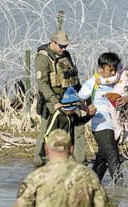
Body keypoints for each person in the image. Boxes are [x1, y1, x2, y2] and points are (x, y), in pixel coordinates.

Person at [34, 30, 93, 167]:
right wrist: (55, 103)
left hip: (70, 99)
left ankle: (80, 163)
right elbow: (43, 84)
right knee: (47, 132)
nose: (64, 49)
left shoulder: (66, 56)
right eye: (61, 46)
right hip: (52, 102)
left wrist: (83, 100)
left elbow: (74, 79)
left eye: (66, 46)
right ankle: (40, 162)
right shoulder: (42, 58)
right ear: (52, 42)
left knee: (78, 129)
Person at [78, 52, 128, 183]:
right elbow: (77, 100)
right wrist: (87, 109)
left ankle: (91, 184)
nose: (113, 73)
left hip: (116, 123)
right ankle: (120, 186)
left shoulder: (118, 79)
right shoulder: (93, 82)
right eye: (110, 70)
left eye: (115, 69)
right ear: (101, 68)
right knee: (112, 153)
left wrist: (127, 99)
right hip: (101, 124)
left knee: (103, 157)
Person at [14, 129, 108, 207]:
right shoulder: (89, 175)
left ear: (46, 149)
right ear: (71, 149)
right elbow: (102, 203)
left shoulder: (35, 177)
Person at [96, 63, 128, 145]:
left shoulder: (115, 76)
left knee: (121, 114)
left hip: (111, 121)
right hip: (103, 123)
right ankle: (126, 130)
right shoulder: (97, 81)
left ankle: (123, 130)